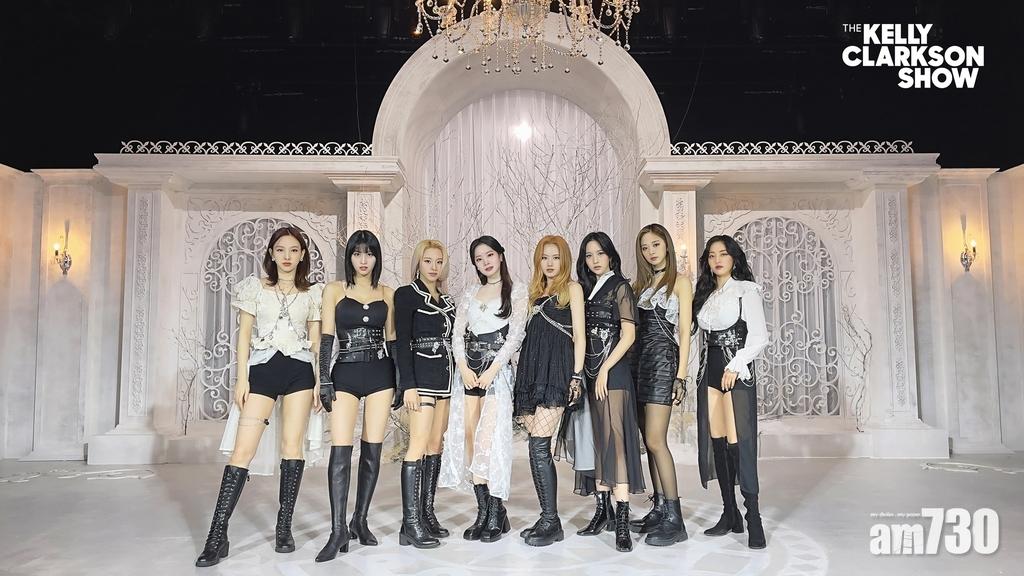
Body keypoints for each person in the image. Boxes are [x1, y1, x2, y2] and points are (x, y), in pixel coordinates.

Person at [196, 226, 323, 567]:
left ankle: (284, 528)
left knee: (292, 448)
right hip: (262, 370)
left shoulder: (312, 293)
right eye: (280, 250)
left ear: (302, 255)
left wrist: (318, 382)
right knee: (243, 450)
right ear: (271, 254)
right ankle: (216, 535)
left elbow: (316, 343)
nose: (287, 256)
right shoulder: (255, 288)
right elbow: (243, 336)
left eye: (293, 250)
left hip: (300, 371)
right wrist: (241, 379)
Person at [314, 230, 397, 562]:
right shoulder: (334, 290)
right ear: (349, 257)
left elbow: (392, 341)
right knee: (340, 451)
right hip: (345, 373)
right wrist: (323, 380)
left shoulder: (387, 293)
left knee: (372, 451)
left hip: (380, 374)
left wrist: (401, 382)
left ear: (377, 258)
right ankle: (338, 531)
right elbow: (326, 339)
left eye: (370, 253)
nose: (364, 260)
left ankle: (359, 520)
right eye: (357, 253)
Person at [440, 235, 528, 543]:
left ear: (500, 255)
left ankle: (494, 513)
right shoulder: (469, 292)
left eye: (490, 255)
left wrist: (493, 370)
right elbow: (457, 334)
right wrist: (463, 367)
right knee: (470, 440)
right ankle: (484, 512)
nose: (485, 262)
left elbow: (516, 335)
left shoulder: (517, 291)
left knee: (487, 441)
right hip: (468, 373)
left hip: (496, 373)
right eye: (479, 259)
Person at [693, 235, 769, 549]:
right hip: (709, 370)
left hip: (734, 370)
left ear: (734, 258)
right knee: (719, 442)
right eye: (712, 255)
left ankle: (754, 518)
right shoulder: (706, 294)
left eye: (723, 254)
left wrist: (736, 365)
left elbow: (760, 336)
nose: (717, 260)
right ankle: (730, 513)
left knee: (741, 445)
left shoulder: (746, 290)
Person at [574, 231, 645, 553]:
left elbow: (628, 335)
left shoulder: (620, 287)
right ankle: (603, 511)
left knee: (615, 441)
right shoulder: (587, 290)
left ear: (611, 255)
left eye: (600, 253)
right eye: (589, 255)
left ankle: (622, 520)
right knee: (598, 440)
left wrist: (604, 369)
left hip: (612, 374)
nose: (595, 260)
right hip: (591, 374)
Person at [513, 235, 586, 547]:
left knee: (539, 445)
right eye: (545, 257)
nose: (550, 263)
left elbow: (579, 336)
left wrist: (576, 377)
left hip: (556, 372)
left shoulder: (572, 289)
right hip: (531, 373)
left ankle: (551, 521)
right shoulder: (533, 293)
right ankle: (547, 517)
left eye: (556, 257)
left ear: (565, 259)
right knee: (535, 447)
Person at [629, 223, 693, 546]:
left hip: (663, 364)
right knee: (647, 440)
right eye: (645, 247)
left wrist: (681, 376)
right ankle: (659, 509)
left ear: (666, 245)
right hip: (639, 365)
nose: (650, 252)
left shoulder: (680, 282)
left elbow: (684, 333)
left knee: (656, 440)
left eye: (655, 244)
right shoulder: (640, 285)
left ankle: (676, 519)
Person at [392, 240, 458, 548]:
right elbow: (402, 341)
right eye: (428, 261)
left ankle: (426, 513)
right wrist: (407, 384)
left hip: (445, 378)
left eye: (439, 261)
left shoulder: (448, 300)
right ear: (418, 263)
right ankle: (410, 523)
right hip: (421, 378)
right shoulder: (406, 294)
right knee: (417, 445)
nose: (433, 267)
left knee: (435, 446)